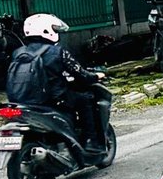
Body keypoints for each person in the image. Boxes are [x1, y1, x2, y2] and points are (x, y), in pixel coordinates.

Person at [11, 14, 106, 158]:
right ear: (46, 30)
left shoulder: (18, 52)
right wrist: (96, 76)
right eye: (54, 29)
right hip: (53, 100)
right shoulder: (56, 52)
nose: (56, 32)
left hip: (21, 102)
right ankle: (91, 141)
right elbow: (80, 74)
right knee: (86, 99)